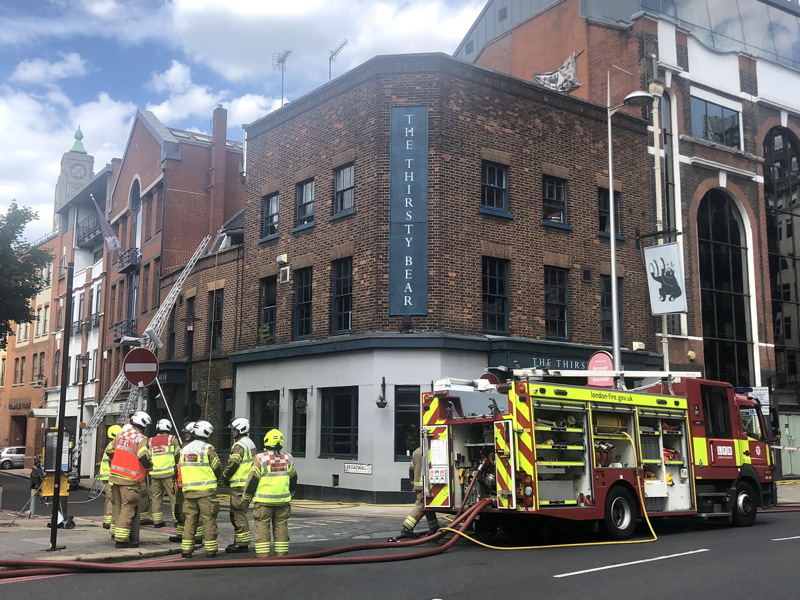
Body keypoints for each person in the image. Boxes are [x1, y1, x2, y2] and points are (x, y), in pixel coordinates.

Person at [243, 429, 297, 558]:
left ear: (266, 441)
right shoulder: (288, 458)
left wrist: (246, 498)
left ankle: (262, 555)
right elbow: (294, 478)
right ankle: (282, 554)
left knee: (262, 526)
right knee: (281, 526)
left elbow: (252, 480)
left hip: (263, 502)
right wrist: (291, 494)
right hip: (283, 501)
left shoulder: (261, 458)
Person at [177, 420, 222, 558]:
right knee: (208, 519)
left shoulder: (184, 449)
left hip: (189, 491)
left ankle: (186, 550)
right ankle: (210, 550)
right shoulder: (208, 449)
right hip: (206, 492)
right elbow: (217, 468)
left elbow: (179, 467)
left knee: (190, 519)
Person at [108, 411, 152, 548]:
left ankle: (115, 532)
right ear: (143, 425)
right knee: (128, 508)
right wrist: (149, 467)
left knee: (118, 506)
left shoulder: (121, 434)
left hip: (115, 477)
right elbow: (143, 456)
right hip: (130, 479)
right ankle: (121, 540)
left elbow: (109, 451)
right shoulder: (141, 438)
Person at [222, 417, 255, 553]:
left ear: (241, 429)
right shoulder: (250, 443)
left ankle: (241, 544)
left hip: (239, 486)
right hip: (246, 484)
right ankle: (240, 541)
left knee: (237, 514)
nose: (231, 432)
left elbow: (233, 464)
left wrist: (225, 476)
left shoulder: (239, 446)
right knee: (239, 513)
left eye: (234, 429)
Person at [399, 445, 440, 538]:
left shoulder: (416, 451)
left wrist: (412, 483)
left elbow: (411, 469)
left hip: (418, 485)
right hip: (426, 485)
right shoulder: (434, 449)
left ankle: (434, 528)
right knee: (420, 506)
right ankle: (407, 528)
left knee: (428, 507)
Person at [148, 419, 181, 528]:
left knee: (156, 498)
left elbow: (147, 456)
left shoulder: (150, 441)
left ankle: (157, 521)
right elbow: (178, 455)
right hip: (169, 474)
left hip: (155, 474)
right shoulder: (172, 439)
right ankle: (176, 519)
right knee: (174, 497)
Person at [98, 425, 121, 530]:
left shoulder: (109, 445)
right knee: (112, 499)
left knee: (109, 499)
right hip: (111, 476)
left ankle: (107, 521)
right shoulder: (113, 445)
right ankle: (109, 522)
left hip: (107, 476)